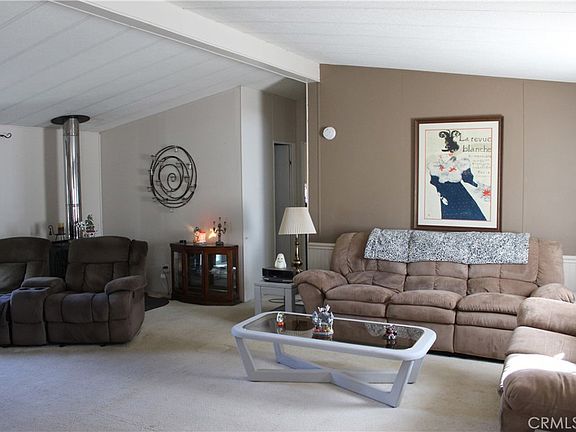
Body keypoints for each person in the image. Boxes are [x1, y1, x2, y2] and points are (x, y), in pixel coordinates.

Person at [427, 129, 487, 221]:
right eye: (444, 152)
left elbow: (468, 179)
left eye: (450, 152)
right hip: (446, 194)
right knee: (451, 217)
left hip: (460, 192)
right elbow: (435, 182)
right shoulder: (435, 166)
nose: (447, 155)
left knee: (470, 215)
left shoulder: (460, 163)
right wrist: (442, 195)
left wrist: (477, 185)